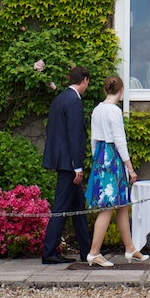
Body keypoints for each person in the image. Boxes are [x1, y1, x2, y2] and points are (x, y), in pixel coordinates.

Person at [84, 75, 149, 266]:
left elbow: (94, 140)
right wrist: (130, 169)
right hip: (113, 157)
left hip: (101, 157)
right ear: (121, 91)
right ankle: (94, 252)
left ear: (105, 90)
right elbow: (120, 141)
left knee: (121, 205)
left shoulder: (97, 110)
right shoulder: (114, 111)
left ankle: (130, 248)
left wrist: (97, 159)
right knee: (109, 207)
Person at [40, 65, 91, 264]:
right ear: (85, 79)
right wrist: (77, 166)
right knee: (61, 207)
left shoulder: (60, 98)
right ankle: (49, 251)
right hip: (69, 163)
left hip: (62, 159)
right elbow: (74, 135)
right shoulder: (74, 101)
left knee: (78, 208)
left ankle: (87, 249)